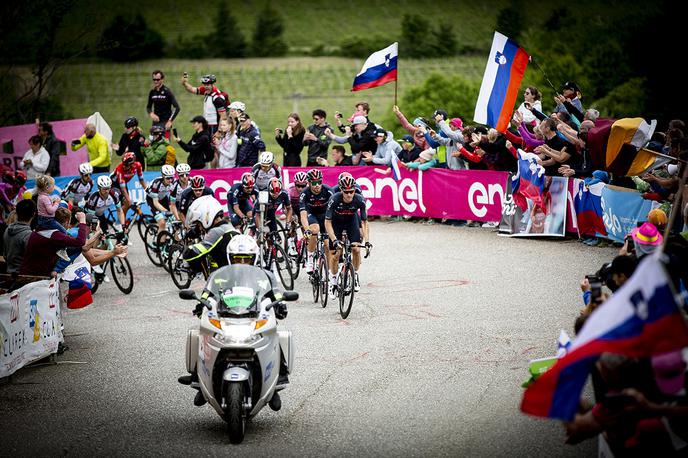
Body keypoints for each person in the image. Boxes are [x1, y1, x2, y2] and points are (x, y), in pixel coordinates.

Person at [325, 175, 369, 297]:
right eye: (346, 192)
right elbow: (327, 222)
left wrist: (367, 240)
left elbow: (365, 222)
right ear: (341, 190)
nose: (349, 195)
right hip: (336, 223)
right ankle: (333, 281)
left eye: (352, 191)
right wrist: (333, 240)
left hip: (351, 222)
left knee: (356, 249)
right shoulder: (334, 199)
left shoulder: (359, 200)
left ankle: (354, 275)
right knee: (336, 254)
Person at [19, 208, 89, 277]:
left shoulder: (42, 229)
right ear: (66, 222)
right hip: (34, 276)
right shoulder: (54, 234)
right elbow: (80, 242)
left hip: (28, 271)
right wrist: (82, 221)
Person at [182, 195, 237, 273]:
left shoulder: (215, 232)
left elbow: (195, 252)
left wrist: (186, 251)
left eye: (199, 224)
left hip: (223, 278)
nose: (200, 228)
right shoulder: (228, 226)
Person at [299, 168, 334, 273]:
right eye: (314, 183)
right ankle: (309, 259)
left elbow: (334, 211)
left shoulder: (328, 191)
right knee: (314, 230)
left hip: (325, 216)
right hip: (311, 214)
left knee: (328, 244)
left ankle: (327, 272)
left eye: (319, 182)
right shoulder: (305, 194)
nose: (317, 185)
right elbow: (303, 214)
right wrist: (306, 230)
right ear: (309, 183)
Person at [3, 199, 36, 274]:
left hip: (8, 271)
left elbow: (5, 254)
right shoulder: (28, 235)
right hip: (22, 276)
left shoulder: (8, 229)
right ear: (34, 214)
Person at [110, 152, 146, 217]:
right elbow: (123, 189)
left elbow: (141, 180)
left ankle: (122, 221)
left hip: (123, 183)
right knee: (127, 202)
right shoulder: (120, 168)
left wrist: (147, 190)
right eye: (123, 164)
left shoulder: (138, 165)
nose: (124, 166)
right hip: (113, 184)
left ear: (132, 164)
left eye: (126, 165)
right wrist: (128, 200)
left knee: (128, 204)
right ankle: (119, 223)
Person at [146, 70, 180, 137]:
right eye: (154, 79)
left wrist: (170, 121)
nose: (156, 81)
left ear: (162, 79)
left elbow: (177, 107)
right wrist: (151, 114)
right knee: (153, 143)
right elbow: (148, 107)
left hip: (165, 122)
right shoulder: (152, 92)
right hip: (155, 122)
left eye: (158, 79)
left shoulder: (167, 92)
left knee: (165, 144)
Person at [145, 165, 176, 233]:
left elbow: (172, 199)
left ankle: (167, 235)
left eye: (171, 177)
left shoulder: (174, 182)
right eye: (168, 178)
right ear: (163, 176)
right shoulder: (156, 184)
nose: (170, 180)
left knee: (173, 219)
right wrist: (165, 211)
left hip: (163, 198)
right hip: (152, 200)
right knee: (162, 223)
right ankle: (158, 242)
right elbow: (155, 203)